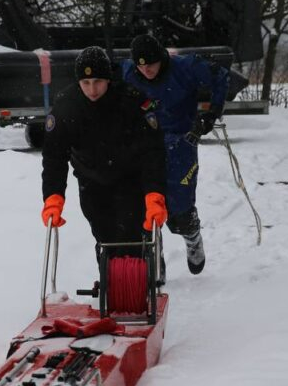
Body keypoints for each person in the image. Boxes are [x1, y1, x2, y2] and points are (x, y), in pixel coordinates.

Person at [41, 46, 168, 272]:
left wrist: (154, 195)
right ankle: (111, 286)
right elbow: (54, 156)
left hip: (130, 179)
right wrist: (53, 197)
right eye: (86, 83)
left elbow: (153, 151)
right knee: (105, 236)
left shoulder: (131, 102)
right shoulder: (66, 108)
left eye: (98, 81)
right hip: (91, 181)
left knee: (128, 236)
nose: (92, 90)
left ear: (108, 79)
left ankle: (136, 279)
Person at [120, 34, 229, 274]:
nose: (146, 70)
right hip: (144, 143)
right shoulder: (127, 72)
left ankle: (192, 238)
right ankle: (153, 252)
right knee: (144, 202)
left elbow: (220, 76)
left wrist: (211, 113)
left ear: (160, 58)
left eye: (151, 64)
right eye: (141, 65)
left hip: (181, 141)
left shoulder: (185, 67)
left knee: (179, 205)